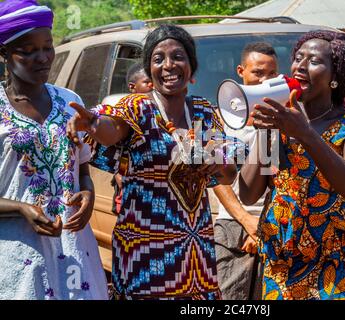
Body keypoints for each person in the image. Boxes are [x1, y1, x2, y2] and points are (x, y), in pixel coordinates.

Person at [66, 24, 239, 300]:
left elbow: (228, 175)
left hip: (195, 255)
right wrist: (95, 123)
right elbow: (113, 129)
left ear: (191, 67)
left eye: (178, 57)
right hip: (145, 256)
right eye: (158, 59)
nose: (169, 65)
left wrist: (217, 162)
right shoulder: (138, 107)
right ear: (149, 69)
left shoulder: (204, 111)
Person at [239, 30, 345, 300]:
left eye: (314, 61)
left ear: (335, 78)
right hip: (282, 259)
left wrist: (304, 133)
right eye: (298, 58)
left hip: (334, 262)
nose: (300, 66)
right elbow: (249, 193)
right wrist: (265, 132)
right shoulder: (281, 124)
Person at [0, 0, 108, 300]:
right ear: (4, 53)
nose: (42, 57)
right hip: (15, 255)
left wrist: (87, 194)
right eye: (28, 50)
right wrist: (20, 209)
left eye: (47, 47)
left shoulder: (68, 101)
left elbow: (82, 168)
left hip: (73, 252)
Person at [213, 42, 278, 300]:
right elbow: (215, 178)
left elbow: (279, 177)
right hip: (231, 224)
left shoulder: (284, 118)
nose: (265, 80)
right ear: (241, 71)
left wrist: (263, 224)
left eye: (272, 74)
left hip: (273, 224)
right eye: (258, 73)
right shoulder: (217, 117)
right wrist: (247, 221)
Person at [111, 62, 152, 215]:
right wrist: (120, 173)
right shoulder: (127, 113)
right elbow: (123, 149)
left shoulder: (158, 111)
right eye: (147, 82)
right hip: (131, 184)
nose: (152, 86)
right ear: (132, 87)